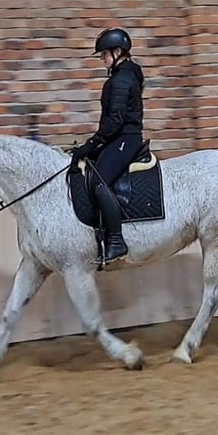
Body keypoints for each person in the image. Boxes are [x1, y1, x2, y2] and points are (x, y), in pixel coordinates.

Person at [69, 27, 145, 264]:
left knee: (99, 181)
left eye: (104, 54)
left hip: (126, 138)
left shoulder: (122, 79)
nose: (102, 58)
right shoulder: (121, 77)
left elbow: (115, 120)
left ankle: (116, 241)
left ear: (118, 52)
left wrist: (90, 144)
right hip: (118, 137)